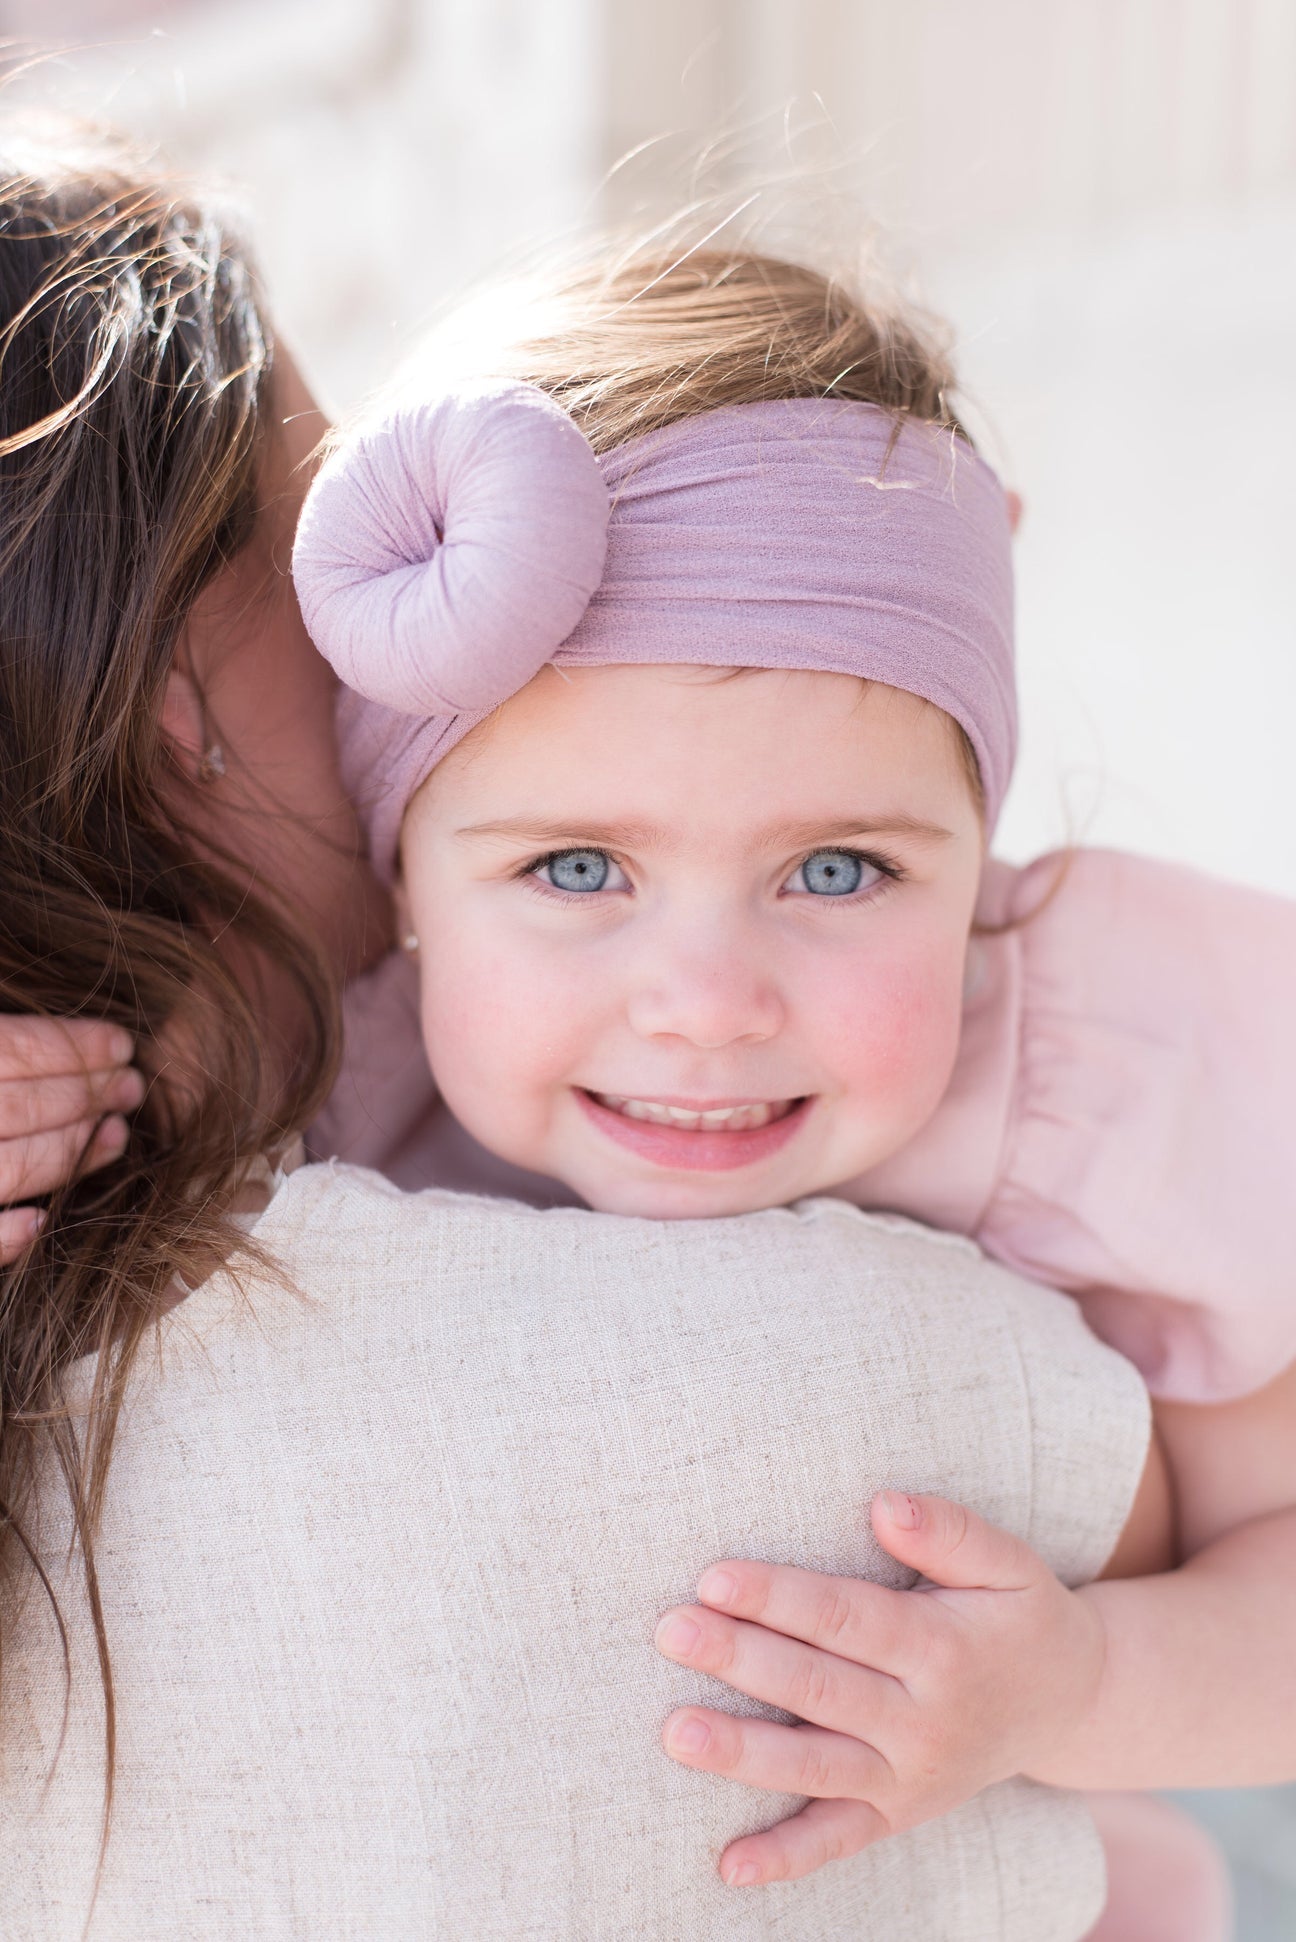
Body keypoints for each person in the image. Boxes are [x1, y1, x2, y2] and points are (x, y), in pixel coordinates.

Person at [0, 118, 1162, 1939]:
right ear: (179, 721)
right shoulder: (884, 1379)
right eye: (335, 539)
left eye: (842, 865)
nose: (702, 1002)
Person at [289, 239, 1296, 1938]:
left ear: (976, 855)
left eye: (836, 871)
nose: (703, 1007)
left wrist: (1078, 1681)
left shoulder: (1101, 1089)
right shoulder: (334, 1089)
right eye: (576, 867)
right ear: (404, 880)